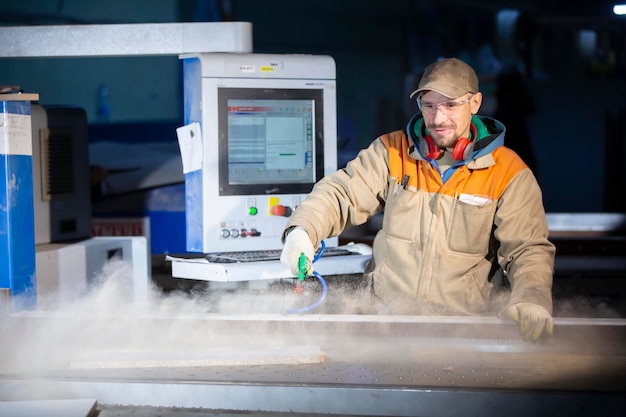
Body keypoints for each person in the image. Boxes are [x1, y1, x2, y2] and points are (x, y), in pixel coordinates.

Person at [280, 57, 555, 342]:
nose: (437, 118)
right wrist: (302, 230)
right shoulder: (391, 152)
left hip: (465, 335)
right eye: (429, 105)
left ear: (475, 103)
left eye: (450, 105)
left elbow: (527, 249)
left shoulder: (508, 172)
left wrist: (532, 297)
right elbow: (340, 194)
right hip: (385, 330)